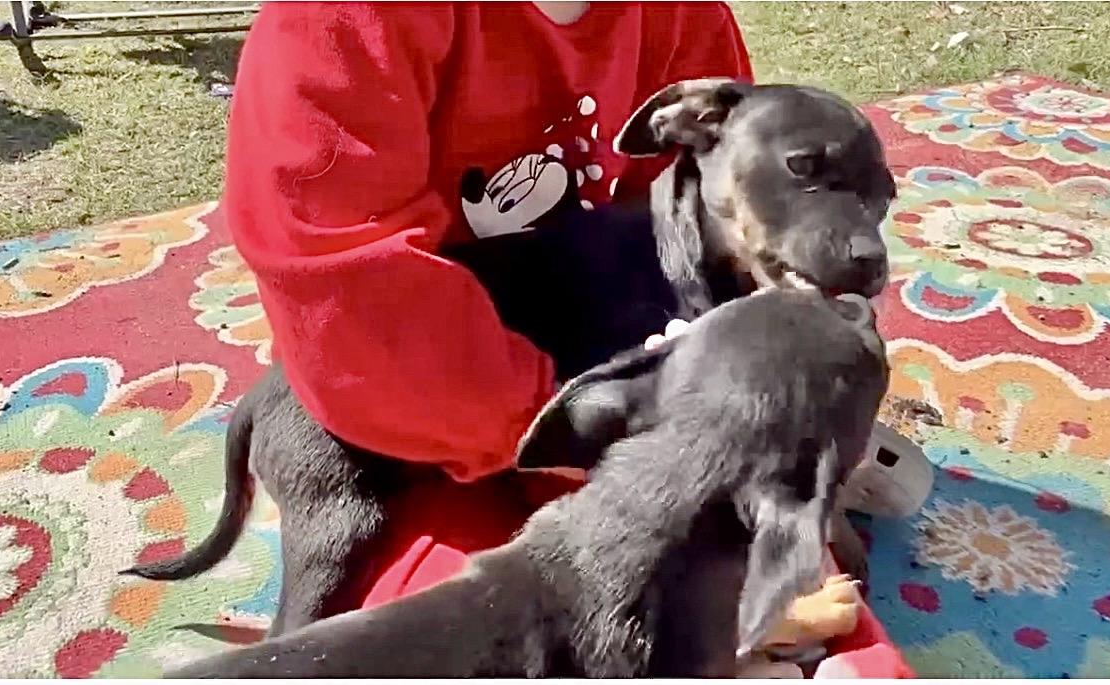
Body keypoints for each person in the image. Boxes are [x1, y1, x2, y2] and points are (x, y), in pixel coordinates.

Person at [222, 1, 753, 609]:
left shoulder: (678, 14)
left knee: (771, 596)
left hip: (588, 353)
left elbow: (712, 208)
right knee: (459, 630)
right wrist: (573, 428)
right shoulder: (340, 18)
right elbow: (343, 281)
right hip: (402, 400)